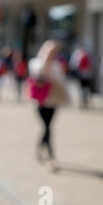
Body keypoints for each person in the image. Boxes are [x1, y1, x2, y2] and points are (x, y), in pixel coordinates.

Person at [28, 40, 69, 170]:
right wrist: (46, 59)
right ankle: (52, 158)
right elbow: (38, 74)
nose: (51, 53)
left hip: (53, 102)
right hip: (40, 102)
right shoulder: (35, 62)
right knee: (47, 128)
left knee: (47, 127)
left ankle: (39, 149)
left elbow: (60, 80)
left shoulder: (57, 65)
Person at [70, 44, 93, 108]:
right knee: (86, 87)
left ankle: (82, 101)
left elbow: (72, 64)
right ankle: (86, 100)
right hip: (87, 74)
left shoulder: (76, 53)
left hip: (79, 73)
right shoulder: (87, 52)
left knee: (80, 88)